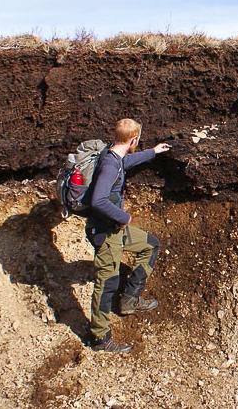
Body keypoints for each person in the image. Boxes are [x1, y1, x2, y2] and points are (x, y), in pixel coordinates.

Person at [86, 118, 170, 352]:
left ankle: (129, 300)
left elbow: (128, 161)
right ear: (133, 139)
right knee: (107, 282)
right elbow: (99, 200)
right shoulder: (110, 165)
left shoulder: (114, 155)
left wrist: (153, 152)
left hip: (115, 230)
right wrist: (125, 218)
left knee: (150, 245)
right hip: (106, 233)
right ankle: (100, 338)